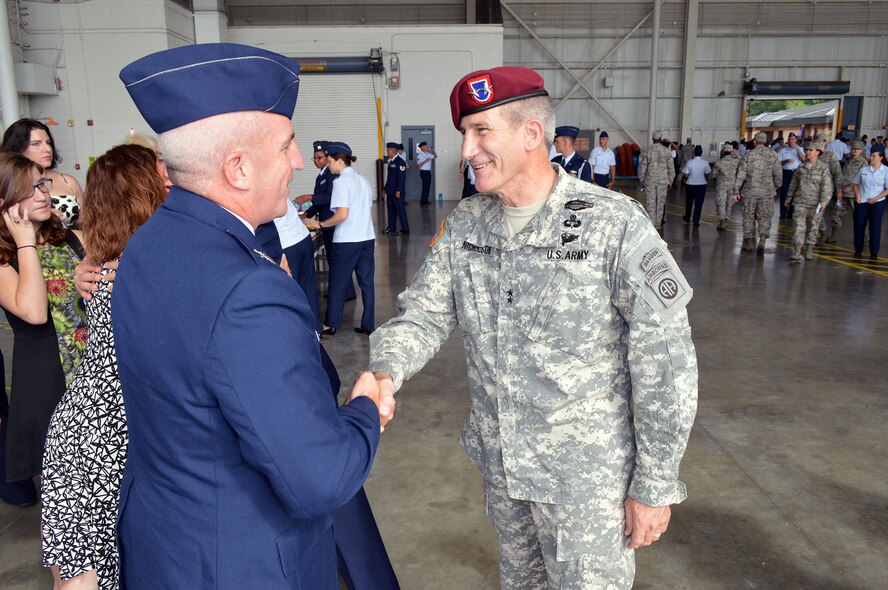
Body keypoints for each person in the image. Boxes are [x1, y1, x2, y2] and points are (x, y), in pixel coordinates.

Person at [368, 66, 698, 589]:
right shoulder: (467, 224)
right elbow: (424, 314)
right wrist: (385, 369)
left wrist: (655, 484)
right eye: (464, 134)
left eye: (482, 131)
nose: (468, 149)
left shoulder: (613, 224)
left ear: (531, 133)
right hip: (503, 470)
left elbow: (667, 365)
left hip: (585, 482)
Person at [113, 42, 386, 589]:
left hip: (166, 548)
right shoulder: (248, 290)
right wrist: (364, 411)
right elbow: (320, 478)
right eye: (285, 145)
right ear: (237, 168)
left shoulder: (147, 245)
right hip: (241, 564)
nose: (293, 162)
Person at [41, 144, 166, 590]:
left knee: (77, 571)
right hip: (112, 435)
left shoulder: (101, 262)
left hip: (78, 429)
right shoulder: (151, 273)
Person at [0, 152, 86, 509]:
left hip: (88, 372)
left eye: (41, 184)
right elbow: (35, 313)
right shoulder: (5, 255)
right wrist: (25, 242)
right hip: (46, 381)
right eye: (29, 189)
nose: (42, 195)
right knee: (67, 506)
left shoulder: (66, 235)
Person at [305, 142, 376, 336]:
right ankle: (368, 324)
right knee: (367, 284)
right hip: (366, 238)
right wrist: (373, 235)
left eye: (329, 161)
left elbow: (342, 215)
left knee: (337, 282)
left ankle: (330, 324)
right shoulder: (363, 180)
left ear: (338, 161)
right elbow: (368, 211)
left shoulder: (340, 182)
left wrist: (320, 224)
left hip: (347, 240)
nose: (328, 165)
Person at [301, 140, 357, 302]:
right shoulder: (322, 176)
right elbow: (319, 202)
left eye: (319, 158)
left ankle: (345, 292)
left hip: (332, 222)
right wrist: (306, 214)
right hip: (326, 221)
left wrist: (309, 197)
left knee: (337, 259)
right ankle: (340, 290)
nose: (316, 161)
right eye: (314, 158)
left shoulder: (332, 175)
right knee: (334, 259)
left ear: (328, 157)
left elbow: (328, 198)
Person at [2, 119, 85, 228]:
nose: (47, 149)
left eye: (48, 143)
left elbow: (85, 223)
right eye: (36, 144)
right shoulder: (8, 183)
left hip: (73, 241)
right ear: (18, 148)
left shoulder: (68, 181)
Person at [733, 131, 782, 254]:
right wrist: (775, 186)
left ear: (754, 142)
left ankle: (748, 241)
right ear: (766, 142)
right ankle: (763, 239)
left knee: (749, 216)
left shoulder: (748, 155)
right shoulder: (773, 155)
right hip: (767, 193)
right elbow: (778, 175)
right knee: (765, 216)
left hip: (750, 192)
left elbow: (741, 174)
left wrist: (736, 189)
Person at [785, 143, 833, 263]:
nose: (808, 152)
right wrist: (789, 197)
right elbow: (794, 184)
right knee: (798, 227)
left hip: (816, 203)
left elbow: (826, 186)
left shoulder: (823, 168)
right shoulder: (801, 167)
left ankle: (809, 249)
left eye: (810, 150)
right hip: (800, 201)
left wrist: (824, 201)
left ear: (818, 152)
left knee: (813, 227)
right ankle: (796, 251)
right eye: (806, 150)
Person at [852, 149, 888, 259]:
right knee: (859, 226)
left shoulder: (886, 171)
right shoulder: (864, 169)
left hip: (877, 203)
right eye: (870, 156)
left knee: (875, 227)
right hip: (862, 202)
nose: (870, 158)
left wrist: (876, 198)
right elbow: (855, 184)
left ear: (881, 157)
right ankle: (858, 250)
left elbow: (887, 189)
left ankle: (874, 252)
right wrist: (857, 195)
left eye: (873, 156)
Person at [830, 140, 868, 240]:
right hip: (843, 193)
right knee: (836, 214)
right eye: (854, 149)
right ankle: (834, 234)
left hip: (854, 194)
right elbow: (842, 175)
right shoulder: (848, 161)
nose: (855, 151)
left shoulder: (863, 163)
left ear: (861, 151)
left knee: (858, 216)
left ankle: (864, 236)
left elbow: (861, 178)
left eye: (858, 149)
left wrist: (850, 187)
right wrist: (840, 189)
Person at [637, 130, 673, 230]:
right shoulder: (667, 151)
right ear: (660, 139)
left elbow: (642, 167)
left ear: (653, 139)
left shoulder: (648, 151)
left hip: (650, 181)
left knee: (650, 203)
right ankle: (658, 224)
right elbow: (671, 168)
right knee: (660, 203)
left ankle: (652, 224)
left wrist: (642, 181)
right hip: (663, 181)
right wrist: (670, 181)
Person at [709, 143, 740, 230]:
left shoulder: (718, 163)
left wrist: (709, 177)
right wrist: (737, 155)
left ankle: (722, 221)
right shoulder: (736, 162)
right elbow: (743, 163)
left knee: (721, 203)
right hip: (732, 185)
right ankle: (727, 218)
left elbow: (713, 175)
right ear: (731, 152)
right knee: (729, 203)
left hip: (721, 186)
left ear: (722, 152)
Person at [381, 141, 409, 235]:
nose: (387, 152)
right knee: (391, 211)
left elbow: (402, 178)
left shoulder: (400, 162)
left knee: (400, 210)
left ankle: (405, 229)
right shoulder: (391, 162)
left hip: (397, 192)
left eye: (387, 150)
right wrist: (385, 189)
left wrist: (398, 190)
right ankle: (391, 228)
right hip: (390, 191)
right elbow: (390, 178)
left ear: (392, 151)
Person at [681, 145, 711, 227]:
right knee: (699, 203)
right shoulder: (705, 162)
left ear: (694, 152)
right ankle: (696, 220)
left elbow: (686, 174)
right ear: (701, 153)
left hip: (690, 184)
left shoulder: (690, 162)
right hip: (701, 185)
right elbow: (707, 173)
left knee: (689, 202)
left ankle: (687, 217)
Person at [777, 132, 804, 220]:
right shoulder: (783, 150)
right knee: (784, 193)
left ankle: (791, 213)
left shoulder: (800, 149)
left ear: (796, 140)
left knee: (795, 194)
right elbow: (777, 163)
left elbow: (803, 159)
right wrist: (786, 161)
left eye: (792, 139)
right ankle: (783, 213)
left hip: (796, 173)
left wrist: (797, 149)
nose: (790, 141)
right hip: (786, 173)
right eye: (789, 139)